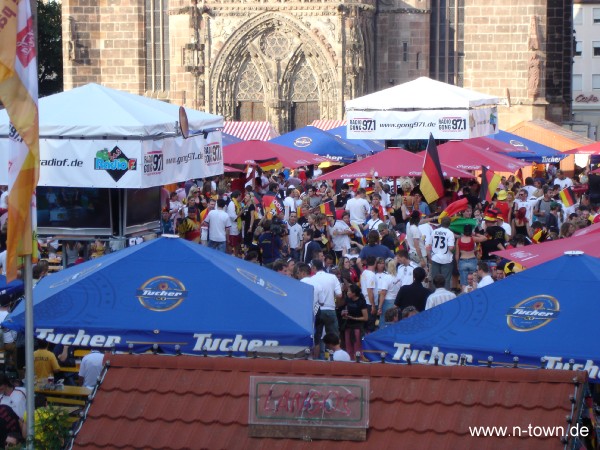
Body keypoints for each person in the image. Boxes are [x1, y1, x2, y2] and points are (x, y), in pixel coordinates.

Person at [309, 259, 342, 359]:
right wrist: (336, 303)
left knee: (317, 337)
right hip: (330, 309)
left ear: (314, 267)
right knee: (334, 336)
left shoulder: (312, 279)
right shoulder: (332, 277)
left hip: (317, 310)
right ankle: (336, 358)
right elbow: (339, 295)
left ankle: (317, 359)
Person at [426, 216, 455, 290]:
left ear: (441, 223)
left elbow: (428, 245)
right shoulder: (450, 233)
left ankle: (434, 296)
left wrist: (429, 257)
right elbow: (450, 247)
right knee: (446, 280)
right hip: (446, 259)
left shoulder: (434, 231)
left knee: (435, 279)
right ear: (449, 224)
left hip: (435, 258)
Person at [340, 284, 368, 359]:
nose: (348, 292)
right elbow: (342, 308)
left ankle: (358, 362)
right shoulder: (348, 300)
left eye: (349, 291)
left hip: (357, 327)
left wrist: (353, 318)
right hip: (348, 325)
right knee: (348, 346)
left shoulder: (361, 302)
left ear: (354, 293)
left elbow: (365, 318)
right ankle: (350, 362)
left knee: (357, 347)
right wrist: (343, 313)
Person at [455, 224, 485, 290]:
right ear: (471, 231)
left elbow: (457, 254)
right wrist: (476, 234)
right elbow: (484, 238)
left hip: (462, 261)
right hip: (472, 260)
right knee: (474, 281)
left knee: (463, 282)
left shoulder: (459, 240)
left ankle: (464, 296)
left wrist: (457, 264)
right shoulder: (472, 239)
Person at [227, 190, 243, 255]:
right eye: (241, 196)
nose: (241, 198)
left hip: (237, 228)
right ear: (238, 196)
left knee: (237, 244)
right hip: (232, 228)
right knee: (232, 244)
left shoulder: (238, 204)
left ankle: (236, 256)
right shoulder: (232, 204)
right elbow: (233, 217)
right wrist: (241, 213)